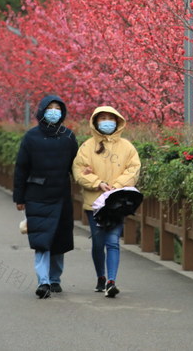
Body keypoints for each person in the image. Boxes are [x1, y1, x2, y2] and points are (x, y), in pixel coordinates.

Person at [12, 95, 78, 299]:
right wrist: (19, 198)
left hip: (61, 195)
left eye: (58, 108)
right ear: (42, 110)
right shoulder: (31, 137)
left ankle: (55, 279)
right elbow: (21, 168)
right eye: (50, 107)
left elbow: (76, 166)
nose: (54, 111)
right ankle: (43, 281)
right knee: (42, 239)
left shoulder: (68, 136)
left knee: (59, 239)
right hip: (37, 195)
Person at [73, 105, 141, 298]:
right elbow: (79, 172)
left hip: (117, 203)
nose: (106, 122)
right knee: (98, 242)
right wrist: (98, 183)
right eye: (102, 118)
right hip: (94, 203)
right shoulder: (87, 147)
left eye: (110, 118)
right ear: (95, 122)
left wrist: (117, 186)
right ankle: (100, 277)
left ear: (117, 121)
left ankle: (111, 281)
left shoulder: (127, 147)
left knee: (112, 242)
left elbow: (133, 169)